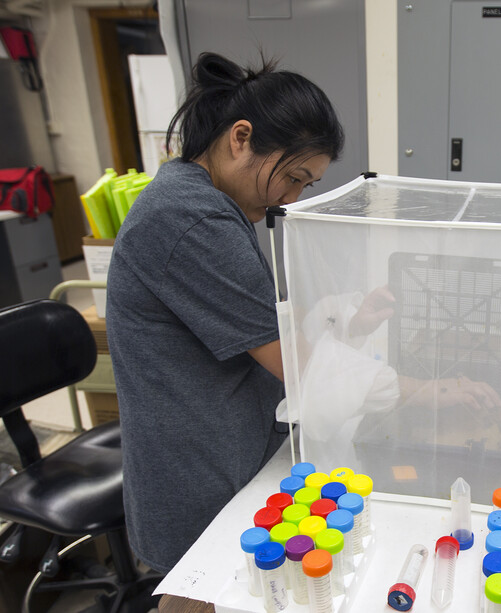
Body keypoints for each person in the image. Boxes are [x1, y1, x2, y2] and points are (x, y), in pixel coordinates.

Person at [107, 52, 346, 573]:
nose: (292, 197)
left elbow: (256, 320)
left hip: (237, 454)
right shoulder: (190, 219)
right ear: (241, 138)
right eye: (295, 176)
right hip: (203, 482)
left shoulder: (210, 202)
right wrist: (424, 393)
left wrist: (345, 317)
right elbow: (302, 367)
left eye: (308, 185)